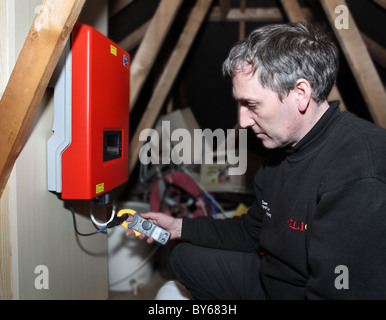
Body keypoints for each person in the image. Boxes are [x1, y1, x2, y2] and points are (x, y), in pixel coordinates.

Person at [126, 23, 386, 299]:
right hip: (270, 278)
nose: (243, 121)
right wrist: (180, 227)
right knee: (183, 256)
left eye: (252, 105)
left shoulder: (359, 171)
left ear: (300, 93)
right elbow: (254, 230)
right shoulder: (281, 153)